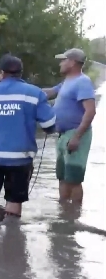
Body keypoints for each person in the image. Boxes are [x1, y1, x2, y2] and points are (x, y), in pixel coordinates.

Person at [0, 55, 57, 218]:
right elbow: (49, 125)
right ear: (21, 73)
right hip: (20, 157)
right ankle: (12, 236)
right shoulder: (35, 94)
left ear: (1, 72)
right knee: (14, 200)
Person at [42, 48, 96, 204]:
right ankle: (64, 213)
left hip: (76, 134)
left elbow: (90, 112)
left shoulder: (83, 81)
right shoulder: (67, 81)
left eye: (63, 60)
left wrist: (77, 137)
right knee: (62, 176)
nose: (60, 63)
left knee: (73, 178)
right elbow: (50, 92)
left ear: (72, 62)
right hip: (63, 134)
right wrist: (26, 91)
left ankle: (74, 215)